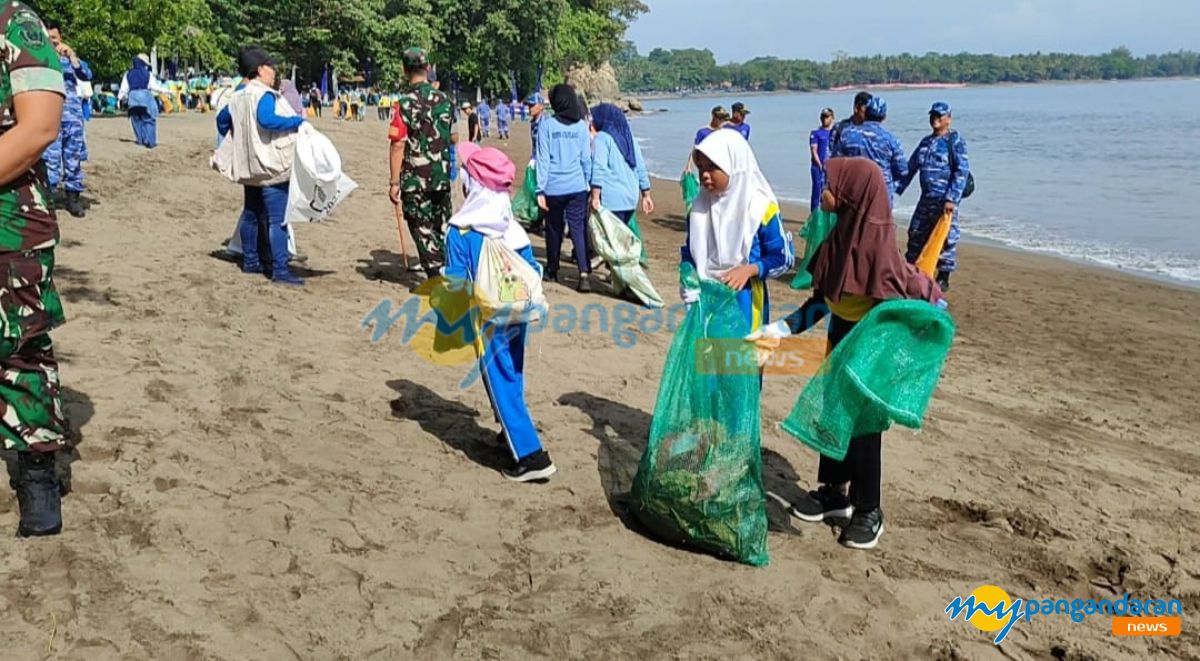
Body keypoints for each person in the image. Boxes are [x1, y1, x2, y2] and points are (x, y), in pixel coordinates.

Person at [749, 158, 944, 550]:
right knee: (832, 411)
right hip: (839, 340)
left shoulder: (884, 260)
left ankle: (869, 508)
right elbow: (821, 302)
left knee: (864, 426)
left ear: (854, 196)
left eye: (831, 185)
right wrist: (781, 329)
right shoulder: (834, 244)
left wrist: (928, 322)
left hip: (869, 350)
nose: (824, 190)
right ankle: (834, 492)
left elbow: (926, 297)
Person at [442, 145, 557, 482]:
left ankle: (531, 454)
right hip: (519, 310)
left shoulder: (461, 231)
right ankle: (510, 431)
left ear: (473, 185)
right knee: (513, 372)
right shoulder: (512, 229)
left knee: (499, 377)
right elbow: (531, 269)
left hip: (488, 316)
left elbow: (456, 284)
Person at [0, 1, 72, 536]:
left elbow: (40, 128)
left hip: (8, 219)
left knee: (18, 345)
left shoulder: (13, 22)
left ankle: (38, 467)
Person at [681, 130, 795, 335]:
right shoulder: (698, 210)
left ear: (734, 165)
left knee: (741, 362)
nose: (705, 174)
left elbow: (782, 258)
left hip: (745, 302)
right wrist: (688, 279)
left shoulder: (760, 208)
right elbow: (690, 252)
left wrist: (750, 270)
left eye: (713, 167)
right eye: (701, 168)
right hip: (707, 301)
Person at [216, 47, 307, 286]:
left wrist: (241, 135)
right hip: (270, 167)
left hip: (249, 167)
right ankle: (279, 269)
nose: (274, 71)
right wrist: (296, 121)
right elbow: (266, 119)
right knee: (278, 219)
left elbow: (221, 121)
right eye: (270, 67)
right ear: (259, 70)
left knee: (251, 214)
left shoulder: (238, 95)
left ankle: (251, 262)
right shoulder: (263, 94)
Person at [388, 47, 454, 279]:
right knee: (441, 226)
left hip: (416, 179)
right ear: (428, 68)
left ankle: (437, 278)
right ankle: (448, 271)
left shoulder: (404, 104)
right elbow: (453, 136)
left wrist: (394, 182)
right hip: (442, 175)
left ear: (405, 70)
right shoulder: (446, 101)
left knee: (422, 228)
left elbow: (397, 144)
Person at [897, 102, 970, 291]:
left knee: (946, 237)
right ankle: (912, 270)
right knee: (915, 232)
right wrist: (894, 189)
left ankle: (944, 276)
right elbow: (910, 168)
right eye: (932, 115)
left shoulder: (954, 142)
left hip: (944, 200)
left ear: (949, 119)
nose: (935, 119)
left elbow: (961, 171)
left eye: (939, 115)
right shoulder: (926, 142)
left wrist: (952, 198)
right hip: (926, 198)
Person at [535, 84, 593, 292]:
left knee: (554, 228)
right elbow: (586, 159)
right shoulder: (580, 127)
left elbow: (542, 159)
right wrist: (589, 183)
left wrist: (539, 189)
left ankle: (552, 268)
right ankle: (584, 272)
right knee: (578, 228)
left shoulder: (547, 125)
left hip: (553, 186)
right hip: (577, 185)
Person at [42, 20, 91, 218]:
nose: (52, 43)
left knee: (73, 159)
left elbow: (87, 74)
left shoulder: (69, 59)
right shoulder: (41, 57)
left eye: (55, 38)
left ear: (60, 37)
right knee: (50, 159)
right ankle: (48, 199)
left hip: (72, 116)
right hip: (50, 115)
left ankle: (73, 198)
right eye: (48, 39)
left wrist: (72, 57)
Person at [831, 96, 907, 207]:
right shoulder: (891, 139)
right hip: (881, 194)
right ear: (884, 117)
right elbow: (903, 171)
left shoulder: (847, 135)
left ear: (865, 113)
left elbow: (835, 164)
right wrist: (889, 181)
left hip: (853, 192)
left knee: (852, 223)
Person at [588, 103, 653, 226]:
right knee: (621, 237)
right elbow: (640, 167)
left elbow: (598, 168)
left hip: (611, 200)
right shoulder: (630, 139)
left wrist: (595, 196)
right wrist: (646, 195)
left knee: (610, 241)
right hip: (630, 199)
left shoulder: (602, 138)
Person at [118, 54, 166, 148]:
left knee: (136, 119)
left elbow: (124, 89)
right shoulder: (147, 74)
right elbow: (154, 86)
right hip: (145, 97)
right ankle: (150, 141)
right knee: (149, 119)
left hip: (132, 98)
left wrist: (119, 99)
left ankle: (140, 140)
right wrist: (165, 91)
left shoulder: (128, 74)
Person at [809, 107, 834, 210]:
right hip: (818, 167)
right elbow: (814, 150)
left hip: (831, 167)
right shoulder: (815, 133)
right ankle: (814, 214)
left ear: (832, 118)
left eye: (827, 117)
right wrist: (820, 164)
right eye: (823, 117)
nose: (825, 119)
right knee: (817, 191)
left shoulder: (834, 133)